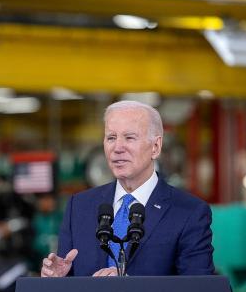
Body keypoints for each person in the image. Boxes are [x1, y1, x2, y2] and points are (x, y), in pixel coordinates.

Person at [41, 101, 215, 277]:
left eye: (129, 138)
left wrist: (127, 286)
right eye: (111, 138)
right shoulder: (78, 206)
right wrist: (56, 280)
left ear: (156, 147)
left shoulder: (189, 212)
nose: (117, 148)